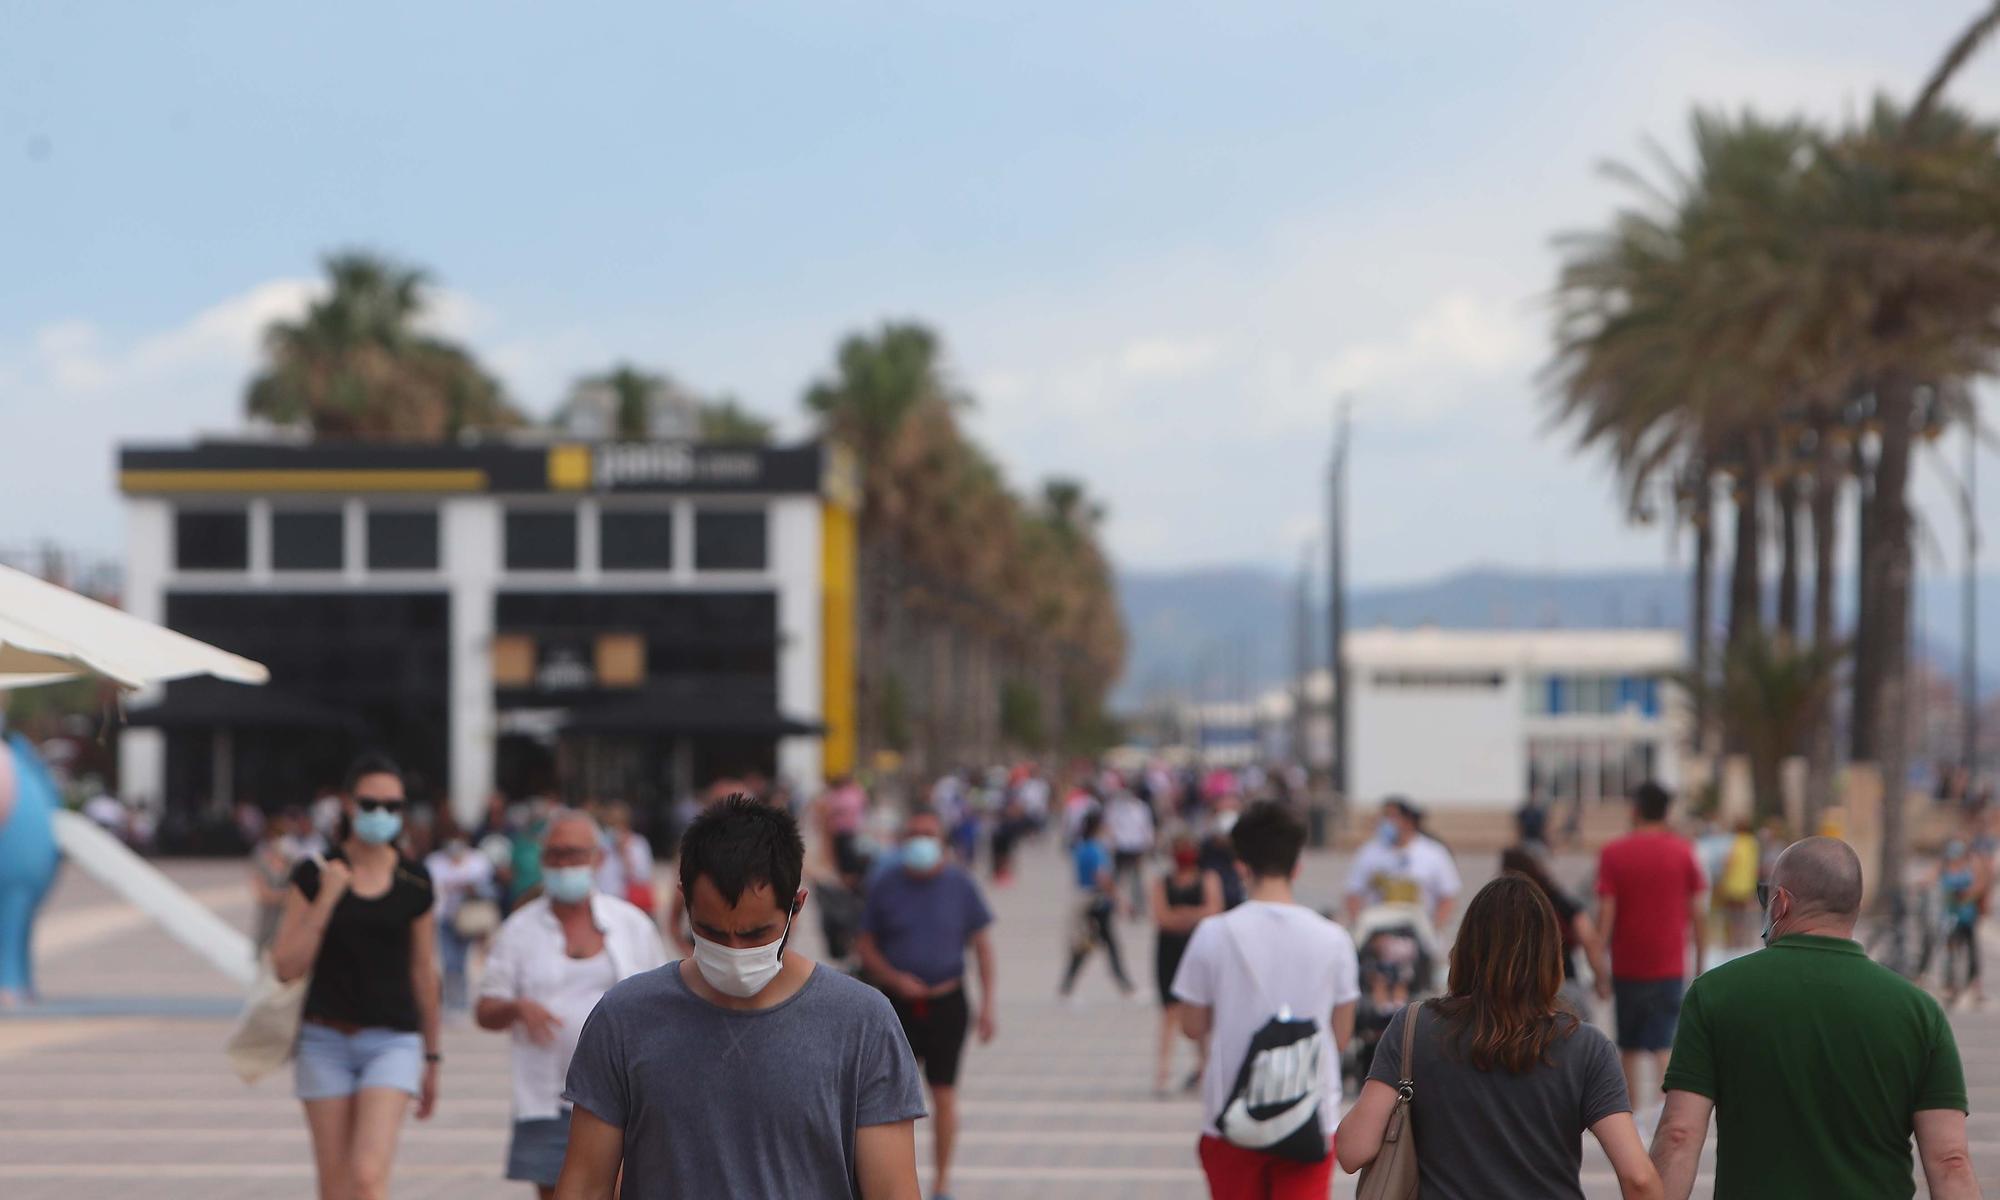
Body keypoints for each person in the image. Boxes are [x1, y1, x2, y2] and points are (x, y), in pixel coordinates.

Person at [555, 796, 925, 1199]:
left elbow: (892, 1190)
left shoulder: (862, 1023)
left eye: (754, 934)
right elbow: (585, 1184)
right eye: (711, 931)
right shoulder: (625, 1018)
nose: (733, 950)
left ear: (795, 907)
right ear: (684, 901)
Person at [1650, 837, 1978, 1199]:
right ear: (1853, 908)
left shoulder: (1714, 994)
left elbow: (1678, 1135)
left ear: (1781, 902)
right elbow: (1950, 1161)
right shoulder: (1920, 1012)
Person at [1337, 875, 1662, 1200]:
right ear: (1550, 956)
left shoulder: (1413, 1028)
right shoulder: (1586, 1047)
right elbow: (1638, 1178)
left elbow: (1353, 1150)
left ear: (1465, 948)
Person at [270, 753, 441, 1200]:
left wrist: (434, 1057)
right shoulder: (314, 873)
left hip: (392, 1041)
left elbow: (424, 971)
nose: (381, 815)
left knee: (367, 1178)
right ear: (347, 804)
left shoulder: (415, 880)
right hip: (324, 1039)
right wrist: (327, 899)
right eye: (370, 804)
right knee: (336, 1187)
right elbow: (286, 966)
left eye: (393, 806)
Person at [1171, 801, 1359, 1199]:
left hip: (1231, 1115)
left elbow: (1191, 1027)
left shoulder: (1213, 933)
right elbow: (1340, 1036)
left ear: (1241, 865)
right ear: (1298, 866)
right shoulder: (1334, 939)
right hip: (1309, 1114)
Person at [477, 810, 667, 1199]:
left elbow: (665, 1004)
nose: (565, 864)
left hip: (625, 1097)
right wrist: (517, 1008)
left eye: (576, 854)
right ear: (543, 859)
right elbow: (485, 1008)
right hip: (546, 1099)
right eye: (556, 854)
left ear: (598, 858)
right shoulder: (520, 929)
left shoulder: (632, 925)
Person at [856, 807, 998, 1200]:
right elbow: (864, 945)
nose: (921, 841)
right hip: (894, 1006)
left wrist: (988, 1006)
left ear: (941, 842)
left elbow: (982, 947)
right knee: (887, 1102)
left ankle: (941, 1183)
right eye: (914, 833)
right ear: (902, 842)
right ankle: (889, 1181)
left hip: (947, 1003)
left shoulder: (960, 884)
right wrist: (894, 978)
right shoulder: (884, 884)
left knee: (944, 1093)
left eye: (929, 834)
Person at [1594, 782, 1706, 1110]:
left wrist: (1599, 966)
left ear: (1635, 810)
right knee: (1664, 1042)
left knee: (1628, 1045)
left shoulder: (1613, 853)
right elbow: (1698, 912)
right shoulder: (1683, 852)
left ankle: (1628, 1117)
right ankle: (1668, 1114)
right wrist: (1698, 961)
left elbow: (1606, 914)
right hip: (1670, 963)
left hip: (1627, 964)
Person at [1152, 830, 1223, 1096]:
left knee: (1202, 1014)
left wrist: (1181, 914)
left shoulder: (1207, 879)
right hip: (1169, 952)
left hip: (1198, 950)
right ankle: (1163, 1073)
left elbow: (1214, 909)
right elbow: (1161, 917)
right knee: (1170, 1013)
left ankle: (1205, 1069)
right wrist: (1193, 916)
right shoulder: (1162, 882)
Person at [1501, 845, 1611, 1016]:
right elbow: (1590, 940)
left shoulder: (1504, 907)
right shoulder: (1560, 901)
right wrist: (1601, 979)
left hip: (1517, 989)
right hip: (1564, 983)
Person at [1342, 797, 1461, 932]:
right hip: (1378, 929)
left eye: (1391, 816)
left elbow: (1448, 896)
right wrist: (1360, 925)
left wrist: (1434, 929)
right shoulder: (1369, 852)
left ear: (1408, 821)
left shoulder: (1434, 853)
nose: (1385, 822)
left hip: (1418, 928)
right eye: (1384, 816)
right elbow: (1353, 893)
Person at [1059, 809, 1135, 998]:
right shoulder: (1096, 849)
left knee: (1087, 945)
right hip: (1097, 902)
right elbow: (1102, 877)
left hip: (1085, 899)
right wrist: (1119, 899)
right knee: (1107, 944)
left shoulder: (1081, 847)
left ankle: (1067, 985)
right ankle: (1125, 985)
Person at [426, 823, 498, 1013]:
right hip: (444, 918)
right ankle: (451, 1001)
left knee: (464, 962)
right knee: (449, 962)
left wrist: (471, 888)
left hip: (468, 919)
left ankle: (462, 1001)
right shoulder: (434, 862)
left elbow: (490, 890)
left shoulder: (478, 861)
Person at [1939, 838, 1988, 1006]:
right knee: (1952, 952)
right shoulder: (1945, 870)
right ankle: (1951, 985)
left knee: (1972, 952)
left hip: (1968, 917)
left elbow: (1981, 885)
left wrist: (1967, 896)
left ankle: (1974, 986)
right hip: (1952, 918)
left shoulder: (1970, 868)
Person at [594, 801, 656, 915]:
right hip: (605, 902)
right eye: (610, 824)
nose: (613, 829)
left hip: (629, 904)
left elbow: (643, 877)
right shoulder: (602, 844)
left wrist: (624, 854)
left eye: (617, 824)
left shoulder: (638, 844)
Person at [1107, 786, 1157, 915]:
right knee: (1117, 878)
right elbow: (1111, 826)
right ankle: (1112, 905)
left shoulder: (1141, 808)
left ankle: (1139, 907)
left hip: (1136, 848)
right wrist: (1111, 844)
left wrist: (1149, 845)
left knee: (1136, 879)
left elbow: (1147, 827)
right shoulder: (1116, 808)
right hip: (1121, 847)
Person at [249, 817, 293, 958]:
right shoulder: (261, 859)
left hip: (286, 925)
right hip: (268, 922)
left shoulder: (291, 860)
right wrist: (286, 896)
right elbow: (264, 895)